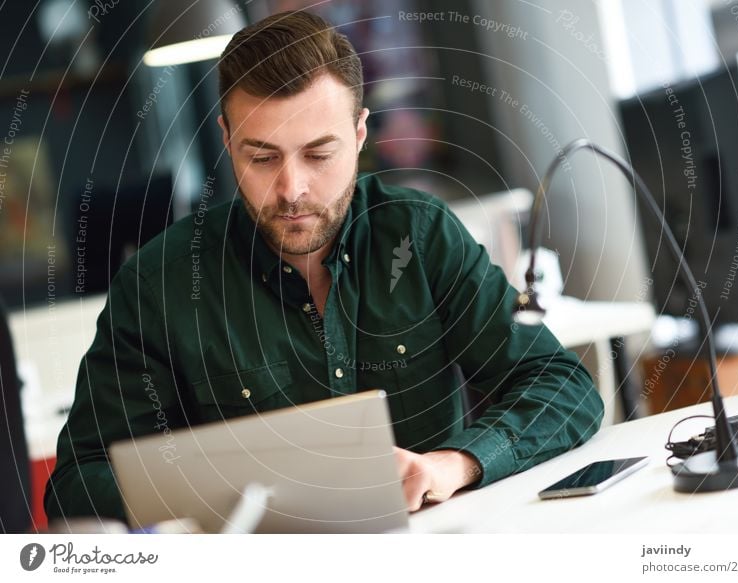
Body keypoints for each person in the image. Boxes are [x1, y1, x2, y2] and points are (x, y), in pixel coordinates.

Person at [45, 10, 603, 523]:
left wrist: (454, 464)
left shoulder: (419, 233)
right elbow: (75, 482)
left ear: (360, 135)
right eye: (261, 157)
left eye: (319, 154)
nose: (292, 189)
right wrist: (224, 487)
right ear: (227, 140)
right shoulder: (158, 285)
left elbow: (562, 386)